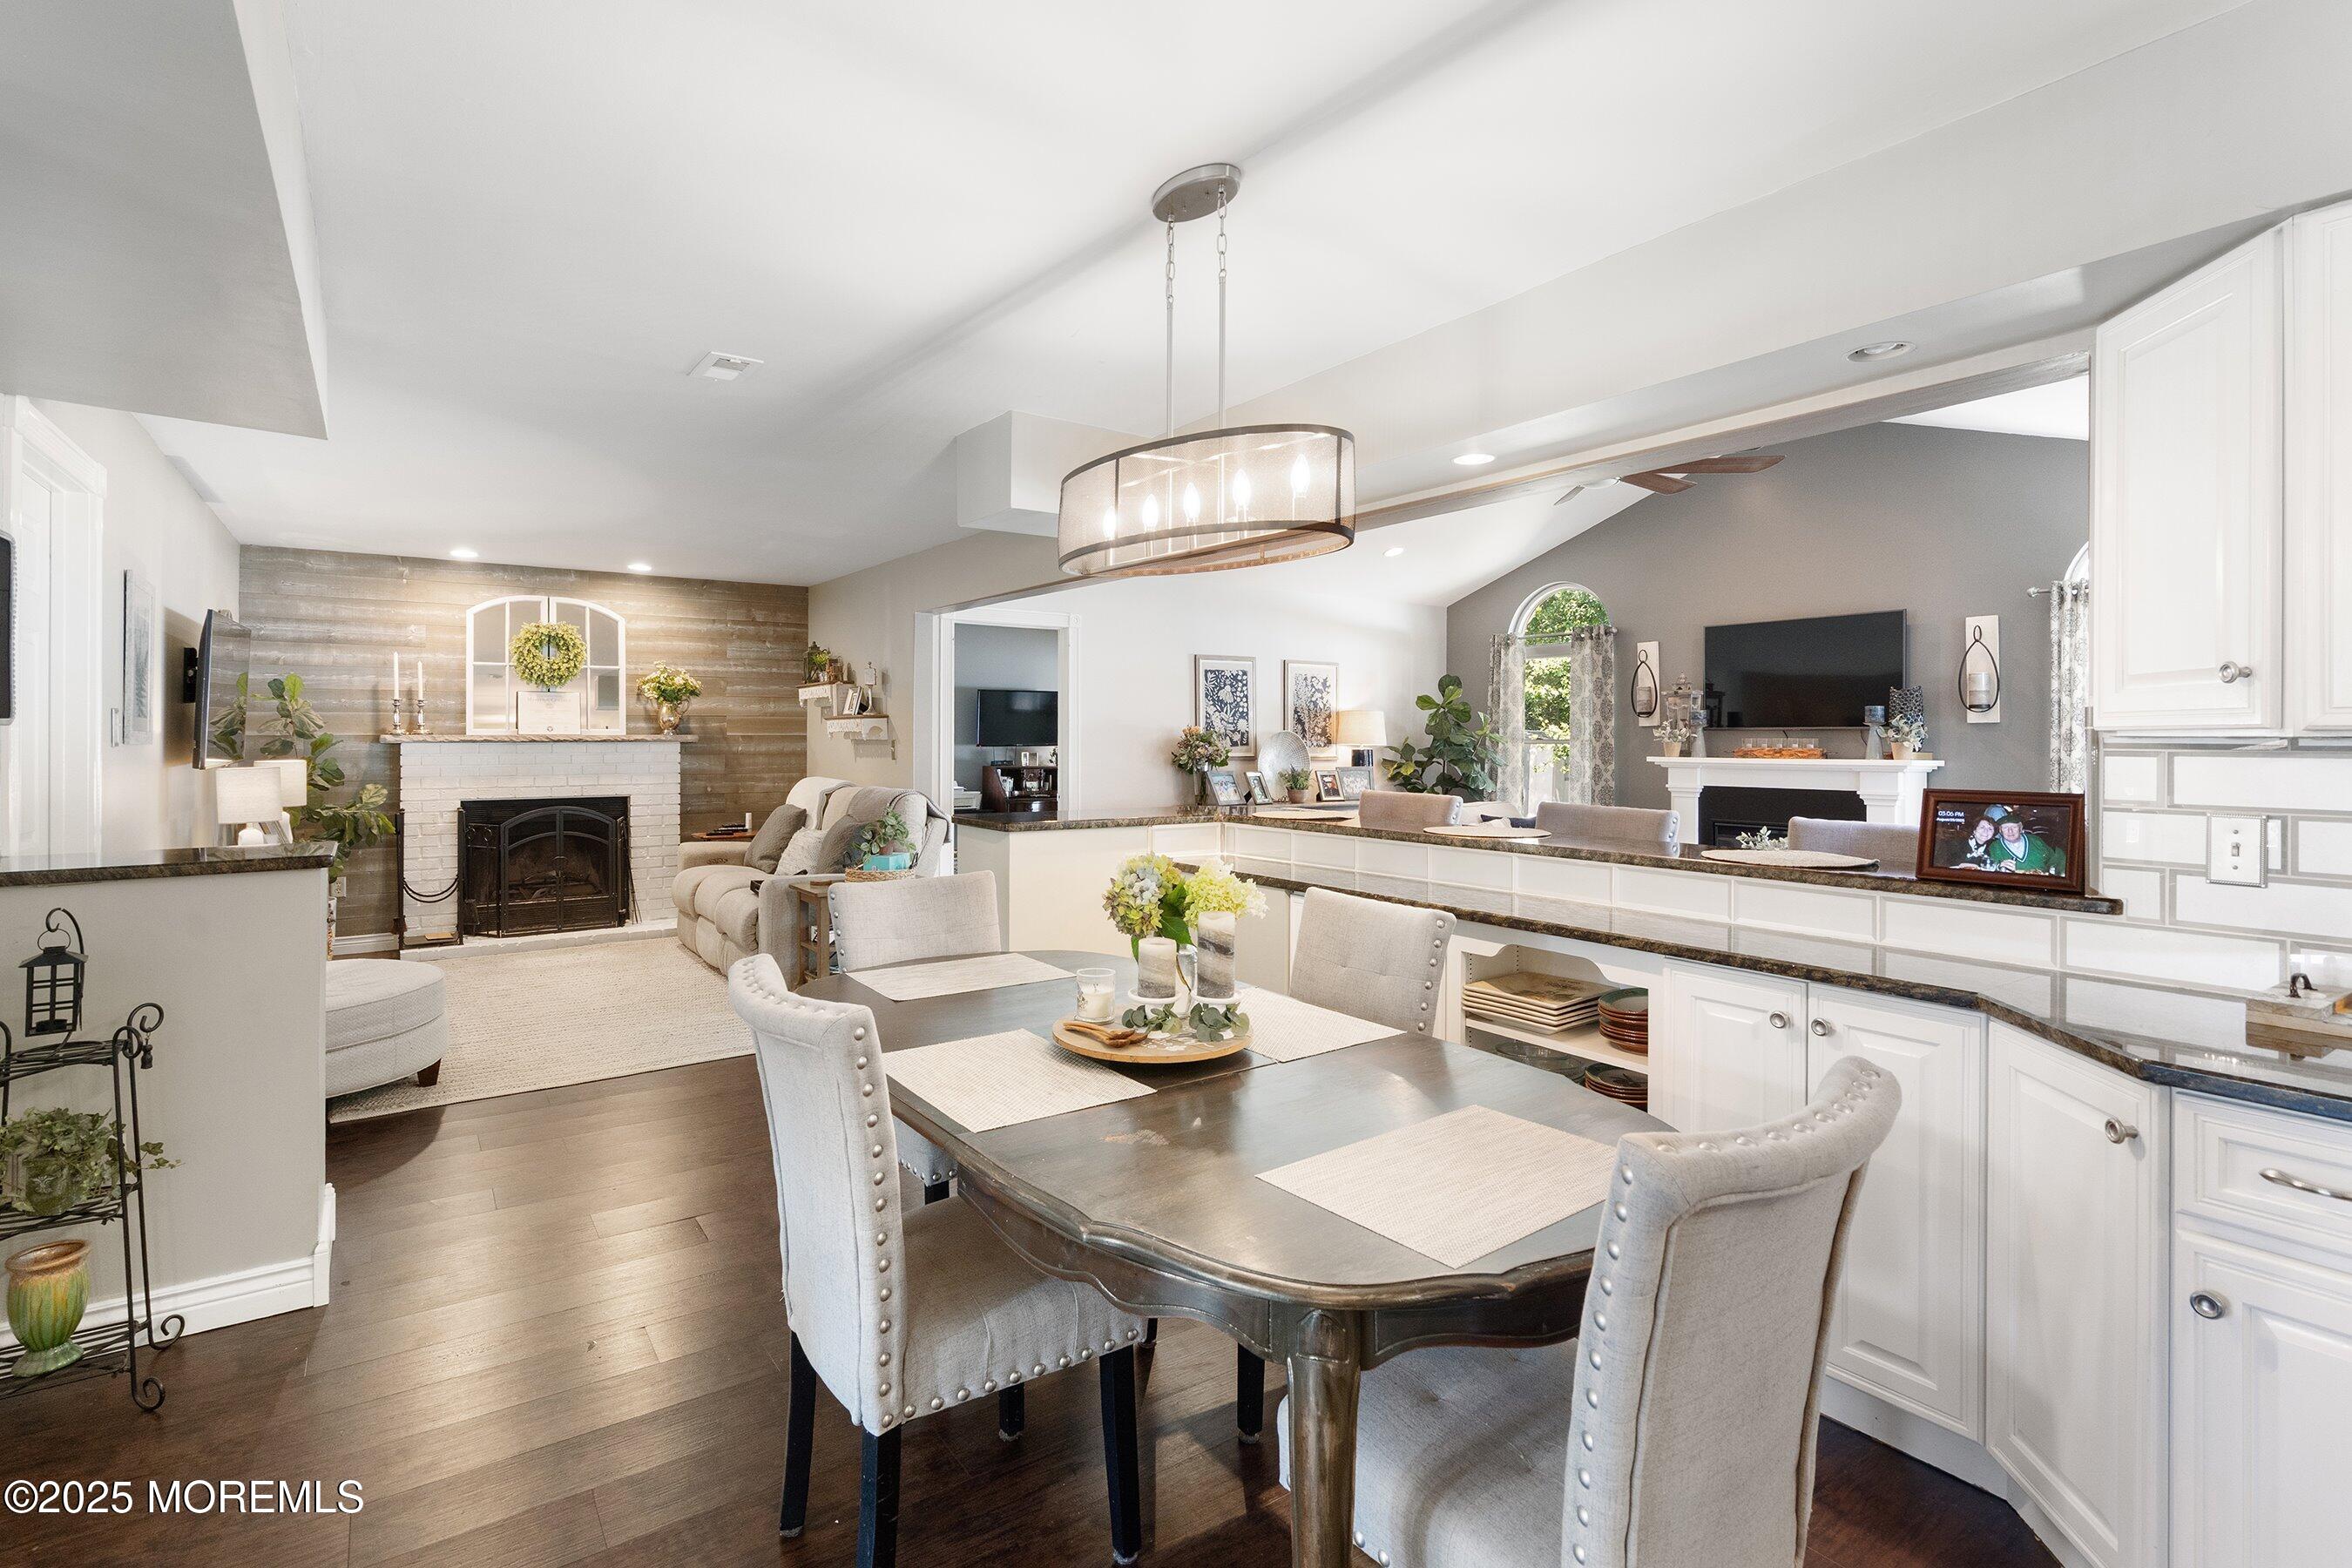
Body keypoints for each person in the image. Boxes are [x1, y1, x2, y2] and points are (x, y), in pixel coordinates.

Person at [1981, 813, 2066, 875]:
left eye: (2014, 827)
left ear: (2021, 829)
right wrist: (1999, 866)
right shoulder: (1995, 847)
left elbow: (2056, 858)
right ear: (2000, 831)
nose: (2010, 831)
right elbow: (1989, 870)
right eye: (2005, 828)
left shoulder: (2035, 840)